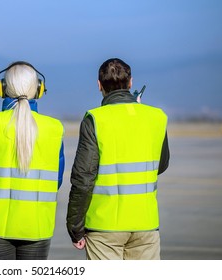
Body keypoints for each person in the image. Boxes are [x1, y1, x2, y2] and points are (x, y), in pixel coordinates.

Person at [66, 58, 170, 260]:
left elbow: (83, 178)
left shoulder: (95, 119)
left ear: (99, 85)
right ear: (130, 83)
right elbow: (161, 164)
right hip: (146, 224)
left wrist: (75, 226)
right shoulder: (157, 117)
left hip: (104, 227)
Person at [0, 61, 65, 260]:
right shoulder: (54, 128)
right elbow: (57, 180)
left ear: (2, 88)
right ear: (39, 89)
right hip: (37, 225)